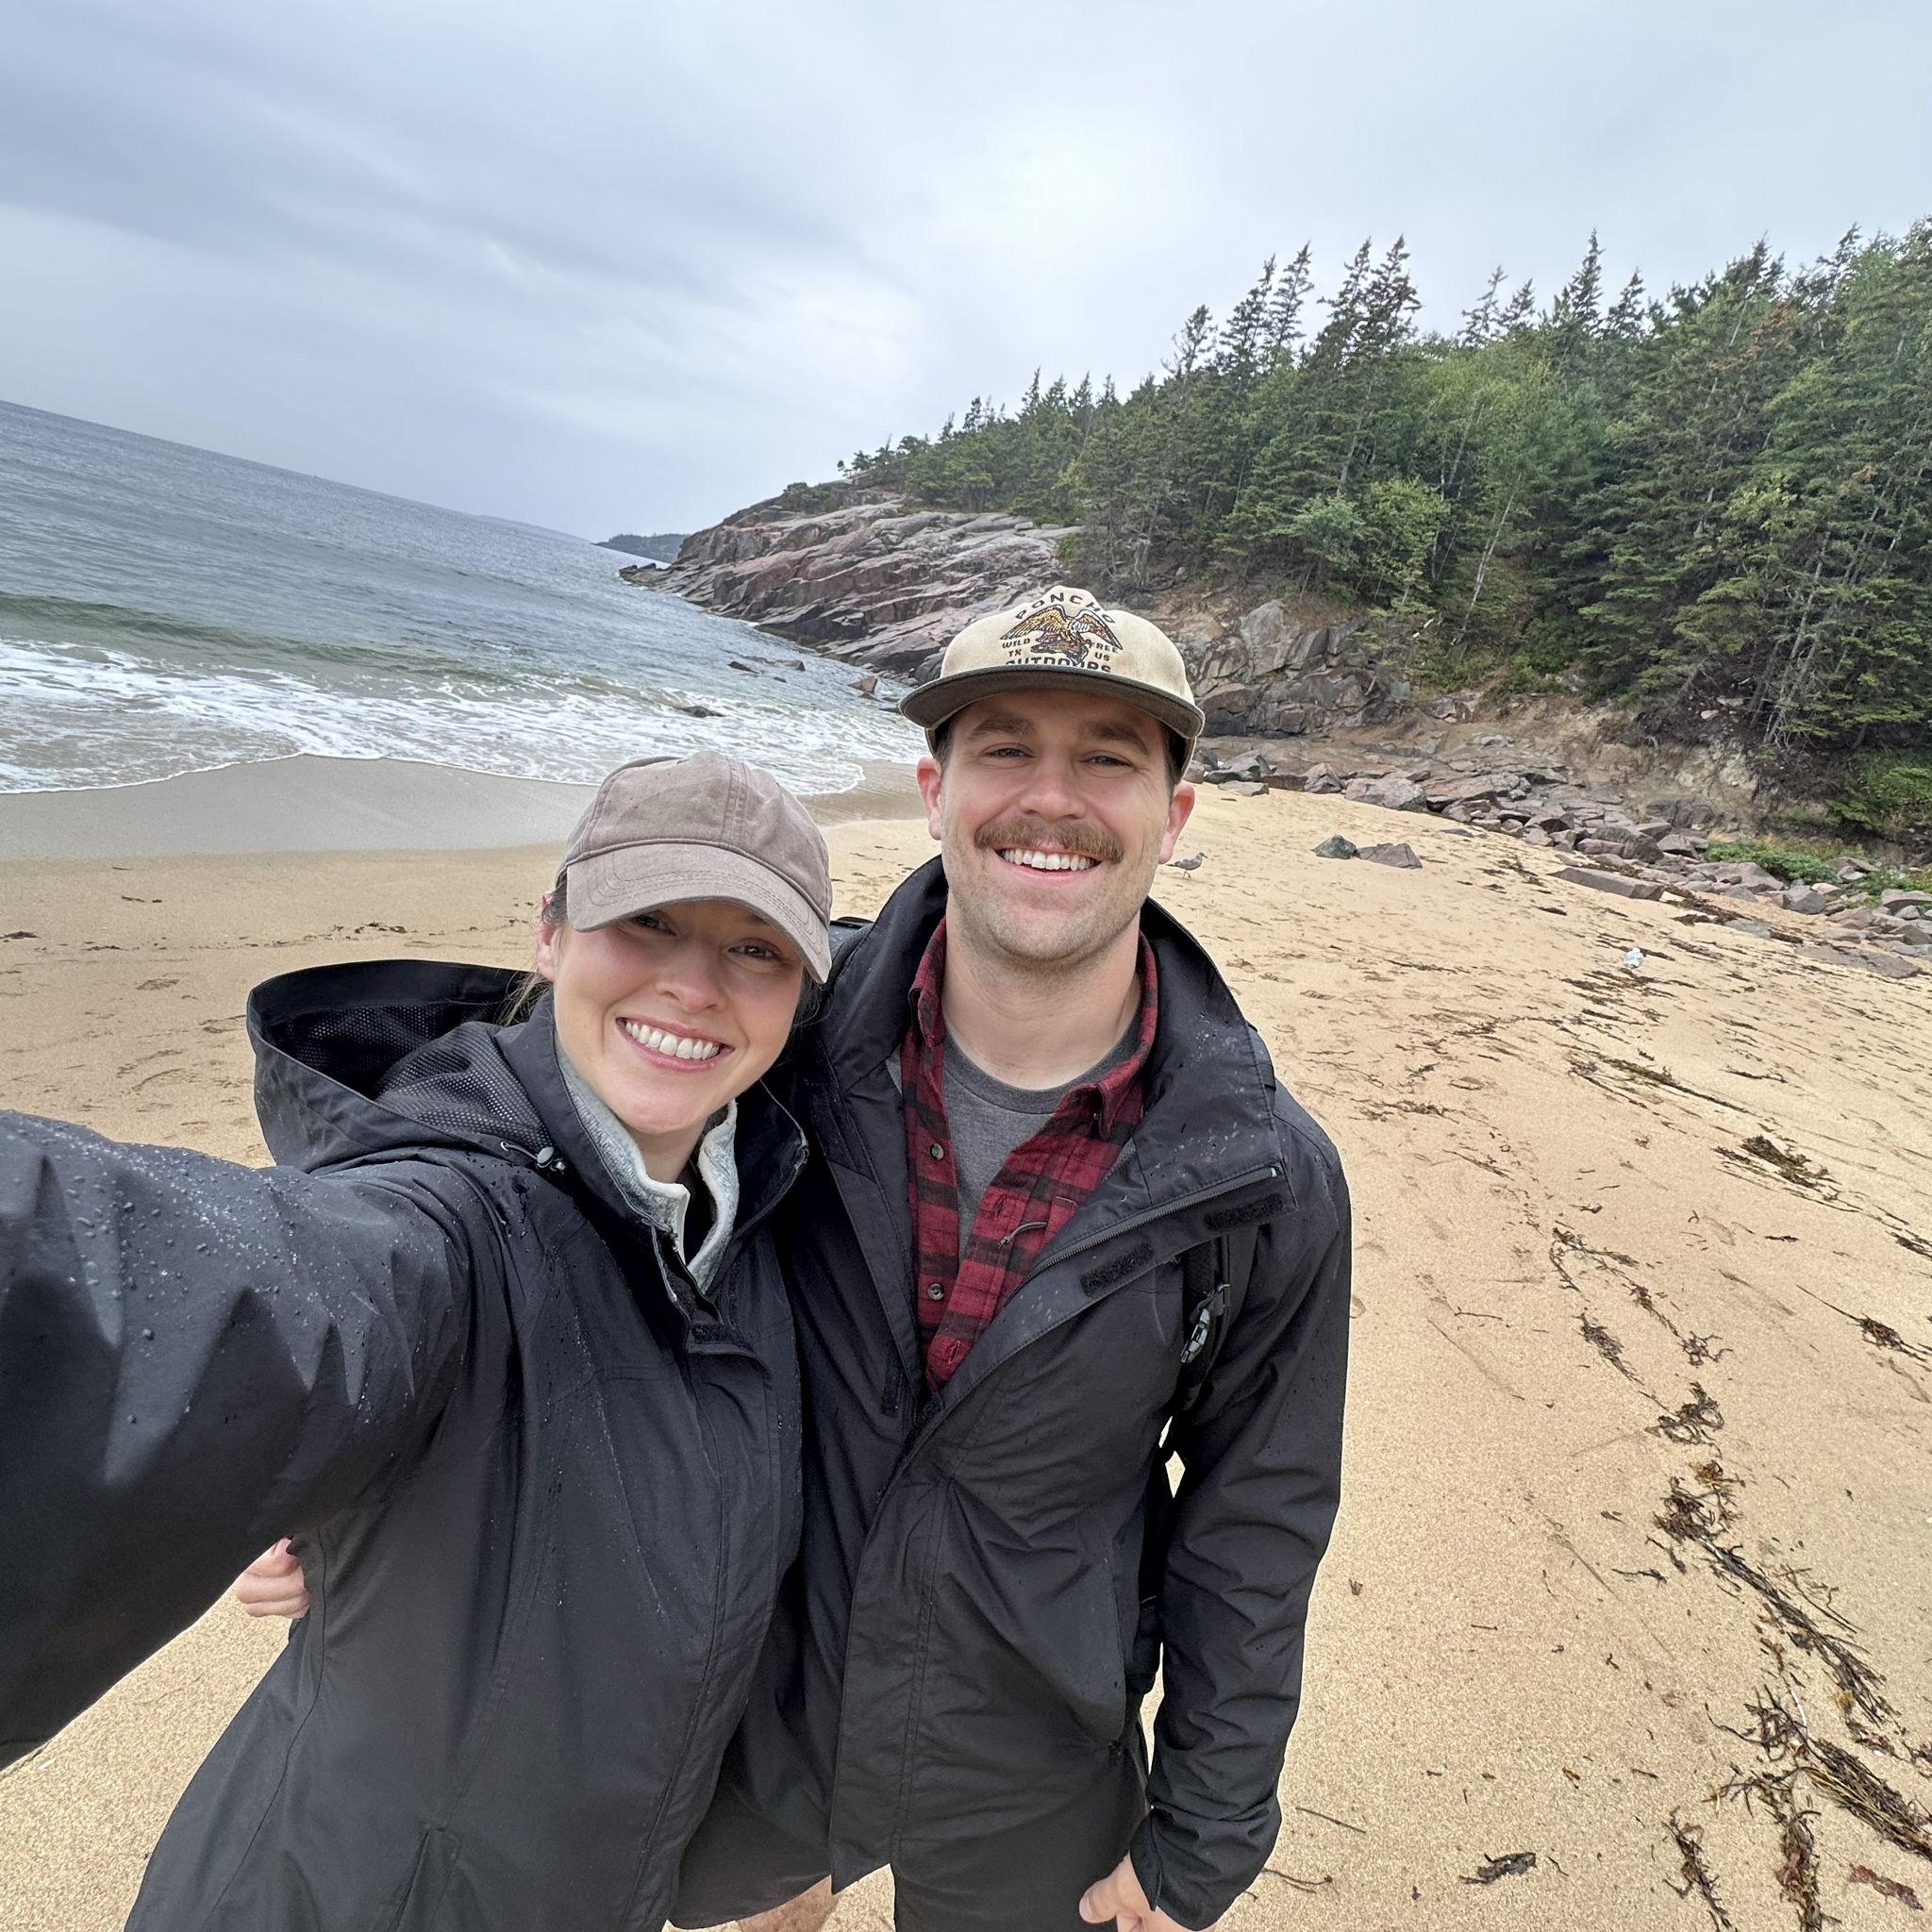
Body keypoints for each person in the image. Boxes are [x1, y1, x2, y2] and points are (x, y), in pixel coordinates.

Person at [242, 587, 1354, 1932]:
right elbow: (531, 1176)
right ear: (935, 787)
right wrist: (356, 1454)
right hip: (743, 1702)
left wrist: (1207, 1832)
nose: (1048, 799)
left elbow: (1257, 1517)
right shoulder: (781, 1036)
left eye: (1108, 758)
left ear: (1173, 815)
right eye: (1005, 748)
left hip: (1032, 1747)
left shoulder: (1258, 1173)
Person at [0, 752, 835, 1932]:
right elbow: (230, 1293)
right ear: (550, 933)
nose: (694, 981)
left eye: (755, 947)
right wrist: (268, 1450)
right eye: (643, 919)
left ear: (800, 995)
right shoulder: (441, 1221)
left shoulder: (751, 1214)